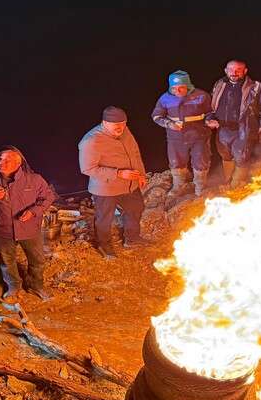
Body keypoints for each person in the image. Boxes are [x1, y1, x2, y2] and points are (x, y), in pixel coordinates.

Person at [0, 146, 56, 301]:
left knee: (37, 260)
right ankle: (13, 287)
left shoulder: (34, 179)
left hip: (29, 228)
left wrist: (33, 211)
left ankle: (35, 286)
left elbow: (47, 197)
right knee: (7, 261)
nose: (1, 162)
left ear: (19, 163)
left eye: (7, 160)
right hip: (3, 229)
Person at [78, 106, 148, 260]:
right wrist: (118, 173)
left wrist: (141, 174)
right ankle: (104, 246)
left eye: (123, 123)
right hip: (105, 188)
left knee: (136, 208)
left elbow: (135, 153)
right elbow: (87, 168)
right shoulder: (91, 141)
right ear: (104, 122)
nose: (120, 128)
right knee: (104, 219)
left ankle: (132, 239)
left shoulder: (125, 131)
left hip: (129, 184)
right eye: (116, 124)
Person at [209, 59, 261, 188]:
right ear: (225, 71)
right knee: (225, 155)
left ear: (245, 71)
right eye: (231, 70)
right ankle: (228, 181)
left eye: (238, 70)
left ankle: (236, 186)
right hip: (222, 128)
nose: (234, 73)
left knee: (241, 157)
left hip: (244, 128)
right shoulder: (219, 84)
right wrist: (210, 118)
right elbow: (212, 105)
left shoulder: (256, 87)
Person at [151, 70, 217, 197]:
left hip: (199, 135)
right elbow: (157, 116)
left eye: (181, 87)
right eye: (174, 88)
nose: (178, 91)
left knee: (201, 161)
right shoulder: (165, 98)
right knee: (176, 162)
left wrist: (210, 120)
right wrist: (169, 124)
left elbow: (210, 112)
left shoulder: (201, 96)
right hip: (176, 137)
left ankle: (200, 186)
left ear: (188, 85)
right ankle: (178, 186)